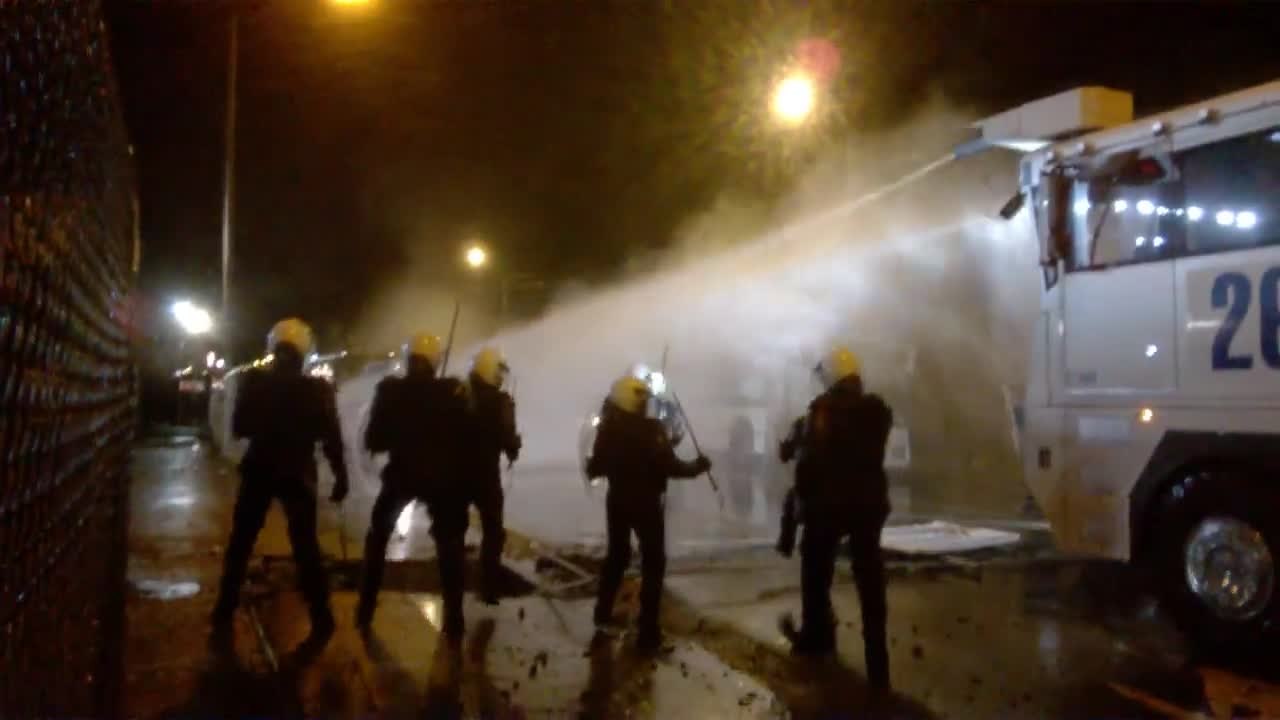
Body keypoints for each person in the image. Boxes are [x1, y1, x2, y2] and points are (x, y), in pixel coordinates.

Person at [211, 318, 349, 639]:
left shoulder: (254, 383)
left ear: (273, 348)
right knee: (305, 547)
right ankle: (321, 616)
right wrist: (341, 477)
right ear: (304, 351)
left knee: (241, 542)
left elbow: (240, 427)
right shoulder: (317, 390)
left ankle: (224, 607)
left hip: (259, 467)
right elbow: (331, 437)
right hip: (297, 471)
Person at [781, 345, 893, 693]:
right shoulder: (877, 411)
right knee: (870, 580)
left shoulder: (822, 413)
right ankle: (878, 664)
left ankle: (817, 637)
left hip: (829, 508)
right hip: (868, 508)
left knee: (815, 571)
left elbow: (805, 455)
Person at [356, 332, 471, 639]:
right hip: (441, 479)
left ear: (409, 360)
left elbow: (374, 440)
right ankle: (455, 618)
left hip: (401, 474)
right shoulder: (453, 391)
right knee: (449, 544)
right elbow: (464, 439)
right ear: (435, 362)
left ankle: (365, 609)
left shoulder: (390, 391)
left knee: (378, 536)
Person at [587, 375, 711, 652]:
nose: (645, 404)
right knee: (654, 563)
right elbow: (671, 466)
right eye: (642, 399)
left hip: (617, 501)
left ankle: (602, 613)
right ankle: (648, 633)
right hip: (645, 504)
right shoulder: (650, 429)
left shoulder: (608, 430)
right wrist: (698, 466)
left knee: (616, 557)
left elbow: (595, 467)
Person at [463, 347, 521, 604]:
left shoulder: (459, 395)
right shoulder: (500, 402)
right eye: (498, 371)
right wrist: (514, 445)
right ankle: (488, 586)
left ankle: (452, 582)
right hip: (485, 474)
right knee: (493, 531)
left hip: (456, 473)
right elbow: (508, 441)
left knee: (453, 530)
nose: (500, 377)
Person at [775, 414, 807, 557]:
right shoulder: (859, 417)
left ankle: (786, 543)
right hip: (855, 493)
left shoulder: (806, 422)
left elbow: (785, 454)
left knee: (790, 500)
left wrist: (783, 448)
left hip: (812, 490)